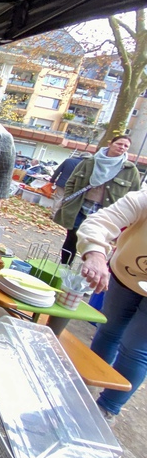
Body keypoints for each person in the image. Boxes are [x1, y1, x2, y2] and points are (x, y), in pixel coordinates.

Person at [76, 189, 147, 422]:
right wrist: (95, 253)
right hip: (124, 275)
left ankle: (106, 410)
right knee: (108, 330)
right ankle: (83, 386)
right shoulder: (143, 199)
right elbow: (100, 221)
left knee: (136, 348)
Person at [54, 135, 140, 264]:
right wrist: (68, 199)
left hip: (106, 212)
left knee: (96, 242)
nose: (122, 147)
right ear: (110, 144)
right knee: (72, 237)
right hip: (80, 207)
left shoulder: (130, 170)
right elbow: (71, 181)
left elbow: (134, 195)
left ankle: (87, 271)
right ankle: (64, 265)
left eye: (126, 146)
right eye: (119, 144)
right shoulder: (89, 162)